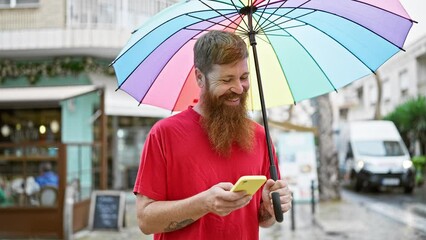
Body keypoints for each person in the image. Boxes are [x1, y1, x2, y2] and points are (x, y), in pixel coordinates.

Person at [133, 30, 292, 240]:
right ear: (200, 78)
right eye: (227, 80)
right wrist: (204, 203)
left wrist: (271, 207)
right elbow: (146, 220)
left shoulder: (261, 136)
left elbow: (264, 220)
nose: (238, 88)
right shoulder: (164, 134)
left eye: (244, 77)